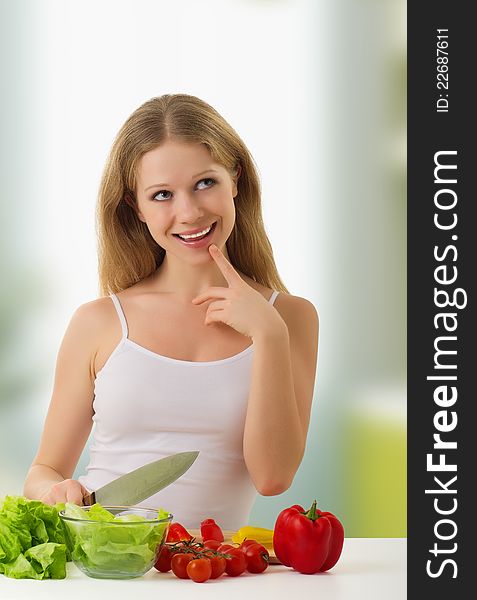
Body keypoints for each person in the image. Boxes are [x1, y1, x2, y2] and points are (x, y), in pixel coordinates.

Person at [23, 94, 319, 529]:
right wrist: (56, 492)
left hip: (213, 576)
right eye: (162, 194)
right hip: (108, 568)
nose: (189, 212)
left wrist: (269, 336)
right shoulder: (99, 323)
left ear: (234, 179)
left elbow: (273, 478)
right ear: (135, 208)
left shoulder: (289, 319)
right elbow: (43, 470)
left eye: (205, 183)